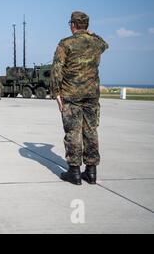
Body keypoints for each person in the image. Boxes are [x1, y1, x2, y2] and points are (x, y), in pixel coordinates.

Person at [51, 11, 109, 185]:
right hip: (92, 95)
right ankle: (91, 172)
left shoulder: (66, 44)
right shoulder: (96, 43)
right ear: (87, 25)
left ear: (73, 25)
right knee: (91, 131)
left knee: (73, 132)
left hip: (71, 95)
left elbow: (56, 70)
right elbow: (106, 44)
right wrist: (91, 33)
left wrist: (56, 93)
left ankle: (74, 172)